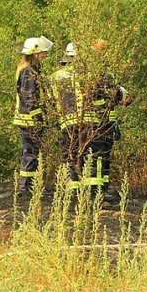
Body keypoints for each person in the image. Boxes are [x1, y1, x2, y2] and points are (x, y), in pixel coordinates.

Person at [50, 41, 106, 196]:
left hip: (66, 122)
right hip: (89, 120)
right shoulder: (88, 74)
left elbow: (51, 100)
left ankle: (72, 190)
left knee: (70, 154)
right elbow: (98, 98)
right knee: (93, 155)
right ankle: (93, 191)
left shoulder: (56, 77)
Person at [90, 39, 132, 204]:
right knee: (99, 155)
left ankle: (104, 187)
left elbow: (120, 93)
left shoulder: (109, 73)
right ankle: (98, 190)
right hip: (98, 121)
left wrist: (124, 97)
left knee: (106, 155)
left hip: (109, 121)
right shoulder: (95, 72)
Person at [12, 36, 53, 196]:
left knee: (31, 152)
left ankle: (30, 186)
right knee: (30, 153)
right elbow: (30, 99)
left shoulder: (29, 70)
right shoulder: (29, 71)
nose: (44, 55)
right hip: (29, 120)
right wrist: (39, 119)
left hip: (27, 119)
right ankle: (26, 188)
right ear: (35, 53)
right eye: (42, 52)